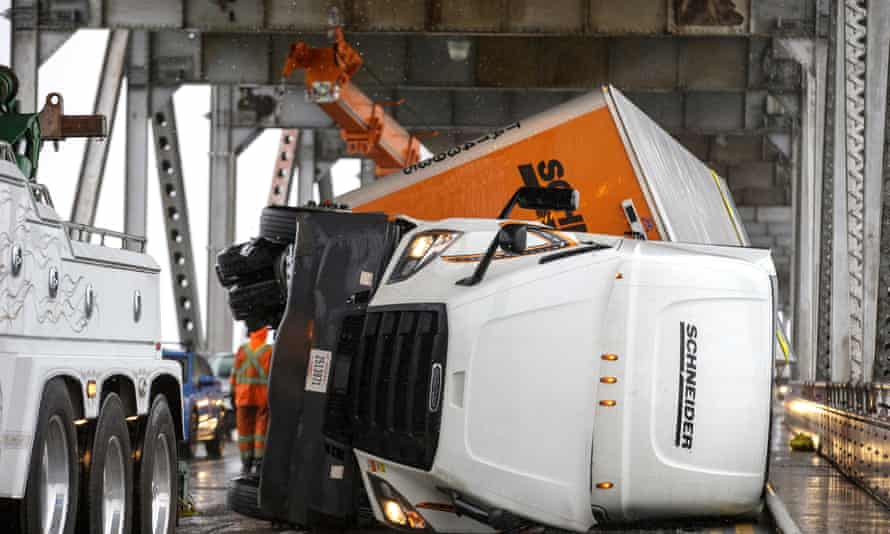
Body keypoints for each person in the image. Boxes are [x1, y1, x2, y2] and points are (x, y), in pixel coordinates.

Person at [232, 325, 273, 474]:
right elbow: (272, 375)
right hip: (262, 397)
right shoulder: (268, 351)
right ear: (264, 334)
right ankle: (259, 459)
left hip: (243, 397)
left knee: (244, 430)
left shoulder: (242, 350)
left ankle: (246, 460)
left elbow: (235, 373)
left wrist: (232, 392)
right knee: (260, 429)